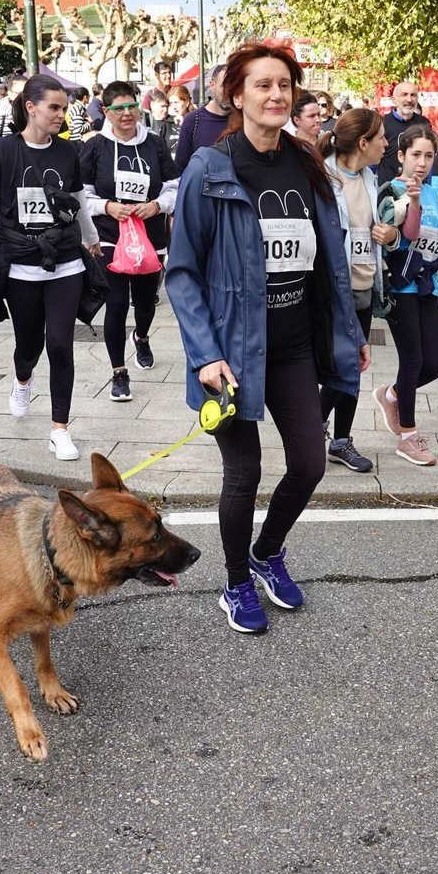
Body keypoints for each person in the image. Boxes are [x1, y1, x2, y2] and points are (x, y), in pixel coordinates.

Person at [165, 43, 369, 635]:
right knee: (243, 472)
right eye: (263, 85)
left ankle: (267, 551)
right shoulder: (210, 167)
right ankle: (234, 582)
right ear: (236, 94)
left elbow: (327, 261)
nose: (276, 95)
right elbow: (182, 272)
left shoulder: (307, 164)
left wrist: (348, 332)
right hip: (229, 351)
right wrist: (205, 354)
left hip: (296, 344)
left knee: (309, 463)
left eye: (285, 85)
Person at [0, 74, 100, 462]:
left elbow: (77, 203)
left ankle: (60, 430)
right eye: (53, 107)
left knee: (60, 342)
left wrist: (91, 240)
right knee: (29, 345)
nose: (61, 114)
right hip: (20, 265)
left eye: (63, 107)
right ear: (31, 108)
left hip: (66, 262)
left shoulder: (69, 153)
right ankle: (22, 379)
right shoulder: (4, 151)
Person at [80, 80, 178, 402]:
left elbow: (174, 187)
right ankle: (119, 373)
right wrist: (108, 206)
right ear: (106, 112)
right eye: (118, 108)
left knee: (146, 301)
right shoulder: (95, 147)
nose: (126, 114)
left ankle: (142, 336)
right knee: (117, 303)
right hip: (110, 236)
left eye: (131, 106)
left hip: (149, 236)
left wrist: (156, 206)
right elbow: (81, 195)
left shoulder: (154, 144)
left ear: (139, 107)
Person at [371, 126, 438, 466]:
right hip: (399, 285)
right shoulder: (391, 190)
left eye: (429, 155)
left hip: (427, 286)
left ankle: (390, 394)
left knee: (435, 364)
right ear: (401, 156)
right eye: (416, 155)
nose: (422, 163)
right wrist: (415, 201)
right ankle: (408, 436)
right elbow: (408, 233)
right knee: (413, 362)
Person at [318, 108, 393, 473]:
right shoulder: (323, 178)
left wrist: (388, 236)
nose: (386, 143)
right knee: (342, 366)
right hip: (334, 291)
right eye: (380, 137)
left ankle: (339, 439)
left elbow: (377, 231)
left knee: (354, 367)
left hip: (364, 287)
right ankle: (318, 428)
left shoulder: (369, 177)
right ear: (363, 143)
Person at [173, 64, 230, 173]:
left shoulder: (244, 119)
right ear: (212, 85)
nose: (229, 91)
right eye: (224, 85)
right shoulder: (193, 120)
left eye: (233, 86)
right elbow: (180, 168)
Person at [376, 80, 432, 184]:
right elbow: (373, 160)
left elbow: (429, 156)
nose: (409, 99)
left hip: (418, 188)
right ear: (394, 99)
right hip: (388, 192)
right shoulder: (382, 123)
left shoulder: (424, 123)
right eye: (404, 95)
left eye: (413, 95)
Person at [0, 71, 25, 153]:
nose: (24, 97)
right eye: (20, 93)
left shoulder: (37, 118)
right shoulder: (0, 119)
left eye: (28, 93)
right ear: (10, 93)